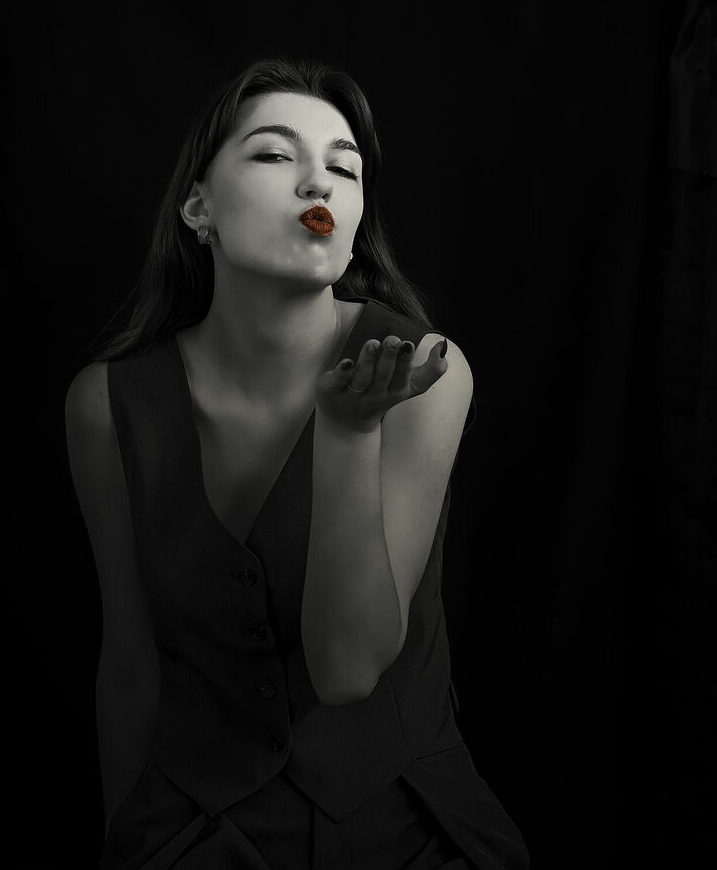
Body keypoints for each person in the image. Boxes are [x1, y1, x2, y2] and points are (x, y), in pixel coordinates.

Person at [65, 58, 530, 869]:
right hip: (189, 834)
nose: (319, 181)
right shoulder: (106, 405)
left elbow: (347, 669)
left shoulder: (424, 371)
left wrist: (348, 433)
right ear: (198, 208)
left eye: (344, 169)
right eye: (276, 155)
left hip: (410, 836)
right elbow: (131, 666)